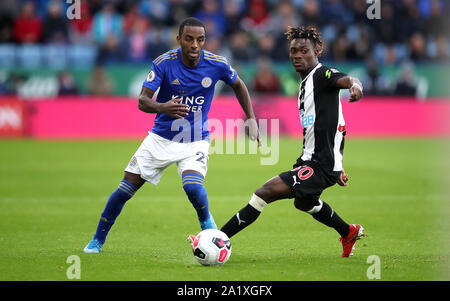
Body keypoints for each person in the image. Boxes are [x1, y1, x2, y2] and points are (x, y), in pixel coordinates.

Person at [84, 17, 260, 253]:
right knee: (124, 191)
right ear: (179, 40)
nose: (195, 45)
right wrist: (163, 106)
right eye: (189, 39)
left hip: (195, 139)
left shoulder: (217, 64)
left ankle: (206, 222)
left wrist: (250, 117)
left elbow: (239, 84)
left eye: (200, 39)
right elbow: (142, 101)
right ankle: (97, 240)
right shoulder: (164, 63)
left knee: (193, 187)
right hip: (161, 138)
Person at [207, 26, 365, 258]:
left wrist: (355, 86)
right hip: (313, 160)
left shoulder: (322, 76)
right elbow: (336, 125)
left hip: (320, 165)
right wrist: (338, 164)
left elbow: (347, 79)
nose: (298, 55)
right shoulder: (304, 84)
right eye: (293, 51)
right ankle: (348, 231)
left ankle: (217, 240)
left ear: (317, 51)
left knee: (264, 192)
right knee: (304, 203)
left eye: (304, 50)